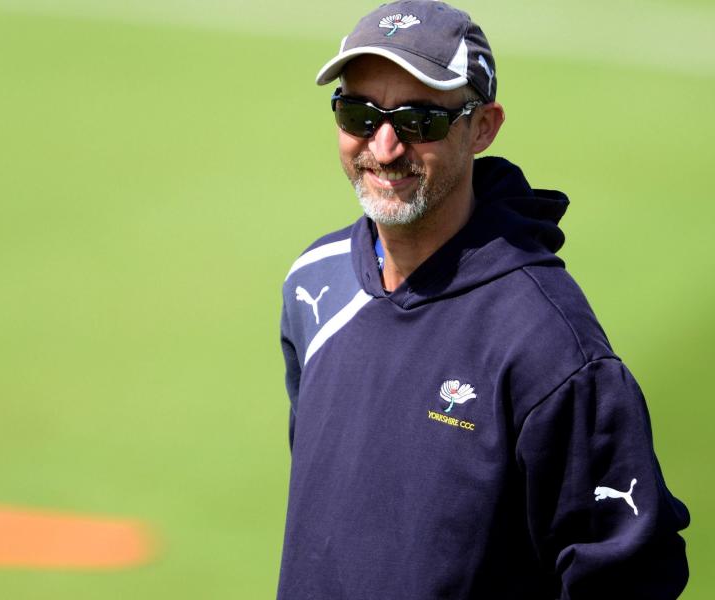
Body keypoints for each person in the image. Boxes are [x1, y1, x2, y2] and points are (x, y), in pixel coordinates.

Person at [276, 1, 690, 598]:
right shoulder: (313, 282)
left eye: (421, 120)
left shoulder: (550, 346)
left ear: (484, 126)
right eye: (359, 113)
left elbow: (629, 579)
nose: (385, 146)